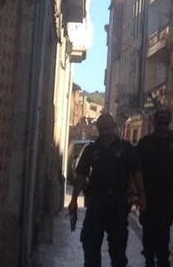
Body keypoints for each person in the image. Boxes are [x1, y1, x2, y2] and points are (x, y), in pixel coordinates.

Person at [69, 113, 146, 267]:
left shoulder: (126, 149)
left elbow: (137, 173)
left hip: (118, 204)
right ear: (98, 130)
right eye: (102, 129)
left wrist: (142, 197)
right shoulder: (91, 149)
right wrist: (73, 200)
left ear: (114, 128)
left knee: (118, 252)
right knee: (90, 247)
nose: (105, 132)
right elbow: (81, 176)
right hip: (96, 203)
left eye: (108, 128)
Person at [136, 109, 173, 267]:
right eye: (160, 123)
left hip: (166, 195)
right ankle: (149, 258)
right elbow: (136, 171)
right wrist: (138, 194)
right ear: (154, 124)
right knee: (148, 229)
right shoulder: (144, 144)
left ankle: (162, 258)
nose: (162, 127)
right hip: (148, 195)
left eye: (165, 123)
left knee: (164, 229)